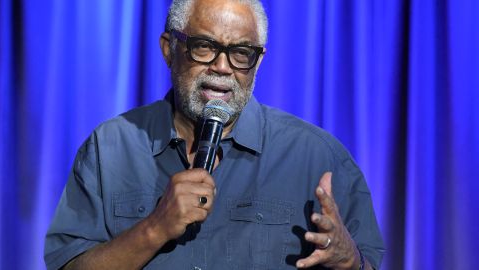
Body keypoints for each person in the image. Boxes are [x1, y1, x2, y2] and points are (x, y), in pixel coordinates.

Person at [44, 0, 384, 269]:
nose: (222, 67)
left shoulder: (316, 155)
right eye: (204, 47)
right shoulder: (110, 148)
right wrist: (155, 228)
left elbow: (365, 263)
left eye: (240, 53)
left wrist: (351, 261)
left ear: (258, 61)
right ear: (169, 48)